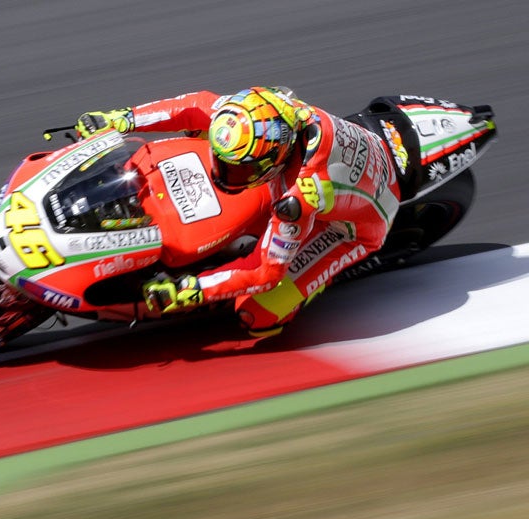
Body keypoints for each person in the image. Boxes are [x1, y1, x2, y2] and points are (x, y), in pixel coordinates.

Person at [74, 86, 401, 337]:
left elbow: (265, 270)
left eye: (237, 169)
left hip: (348, 226)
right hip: (328, 163)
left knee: (258, 315)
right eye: (224, 163)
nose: (220, 172)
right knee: (199, 133)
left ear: (273, 160)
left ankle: (308, 288)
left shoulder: (301, 197)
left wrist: (191, 290)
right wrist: (121, 119)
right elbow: (195, 105)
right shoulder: (261, 109)